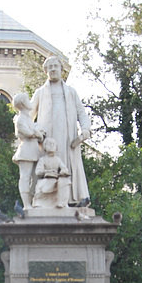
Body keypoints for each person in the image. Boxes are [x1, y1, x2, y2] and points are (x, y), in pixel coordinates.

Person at [30, 56, 91, 205]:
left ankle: (70, 200)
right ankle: (48, 201)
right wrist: (35, 129)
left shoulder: (71, 92)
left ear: (61, 69)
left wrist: (85, 128)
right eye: (49, 67)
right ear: (45, 71)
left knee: (68, 165)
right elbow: (28, 115)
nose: (53, 69)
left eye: (55, 66)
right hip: (48, 138)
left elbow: (81, 112)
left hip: (68, 137)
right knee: (49, 166)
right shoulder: (40, 92)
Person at [12, 92, 44, 209]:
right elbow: (28, 133)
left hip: (34, 150)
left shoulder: (28, 118)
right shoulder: (20, 119)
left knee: (36, 178)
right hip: (26, 151)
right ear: (23, 103)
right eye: (27, 100)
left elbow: (35, 132)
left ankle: (35, 201)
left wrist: (37, 132)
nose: (30, 102)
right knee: (25, 177)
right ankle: (26, 204)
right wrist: (37, 132)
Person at [33, 138, 70, 209]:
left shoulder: (58, 159)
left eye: (53, 144)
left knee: (65, 181)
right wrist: (47, 171)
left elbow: (64, 168)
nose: (51, 146)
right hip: (46, 179)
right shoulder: (42, 159)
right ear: (44, 147)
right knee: (45, 184)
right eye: (49, 144)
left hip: (56, 179)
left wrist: (62, 171)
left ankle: (61, 202)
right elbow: (38, 171)